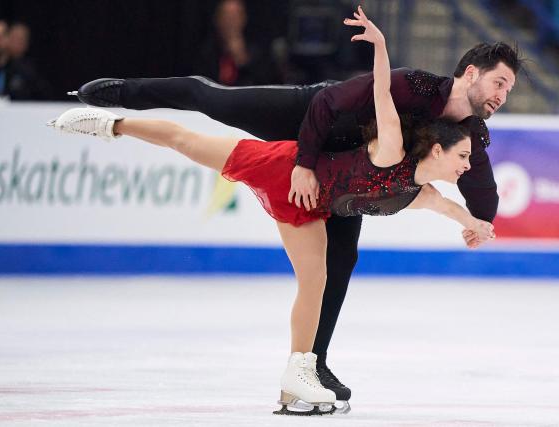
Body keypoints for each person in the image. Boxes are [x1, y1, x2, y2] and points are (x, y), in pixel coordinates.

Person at [52, 7, 495, 416]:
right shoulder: (392, 149)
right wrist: (379, 48)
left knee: (319, 277)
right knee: (189, 138)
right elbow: (380, 91)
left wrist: (476, 223)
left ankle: (299, 376)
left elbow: (449, 207)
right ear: (436, 148)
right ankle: (113, 122)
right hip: (287, 166)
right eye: (462, 159)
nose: (467, 165)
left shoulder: (418, 188)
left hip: (307, 207)